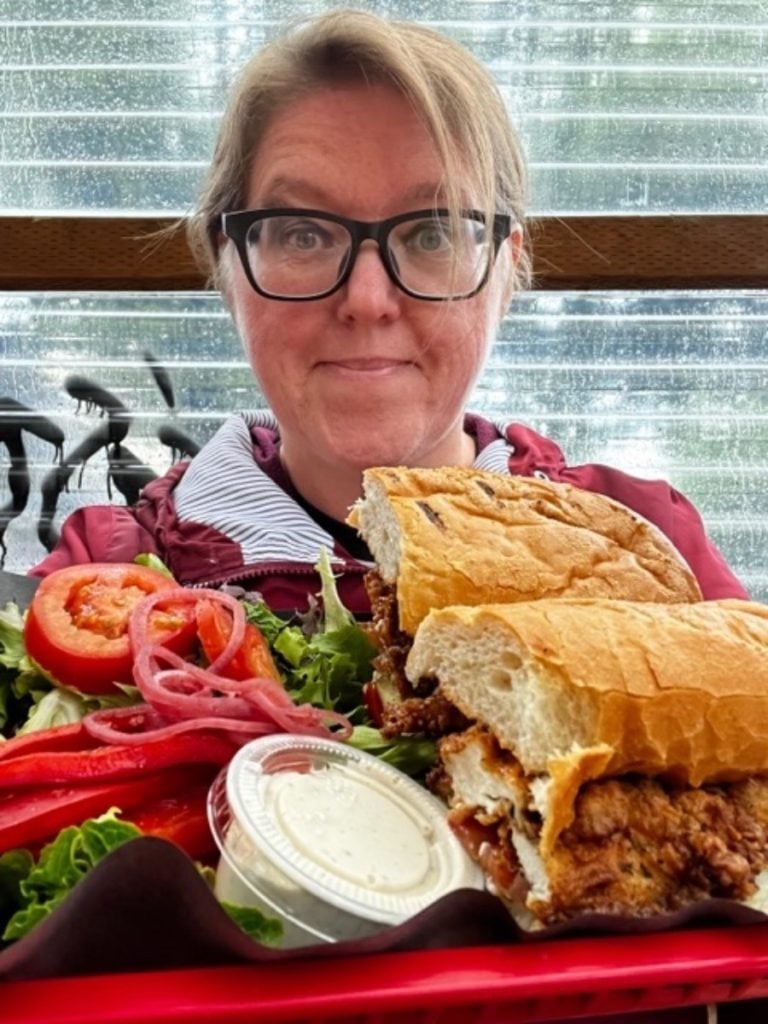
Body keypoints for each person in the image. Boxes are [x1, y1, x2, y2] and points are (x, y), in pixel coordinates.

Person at [30, 8, 747, 613]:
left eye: (432, 232)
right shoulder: (106, 579)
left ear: (505, 267)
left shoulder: (645, 547)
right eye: (303, 233)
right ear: (228, 261)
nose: (368, 301)